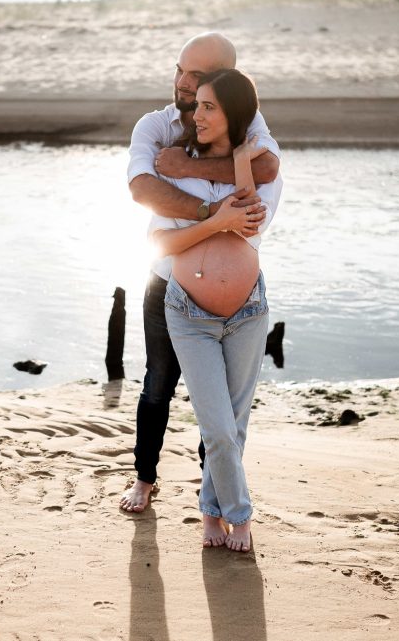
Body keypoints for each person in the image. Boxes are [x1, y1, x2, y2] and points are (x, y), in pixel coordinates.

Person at [120, 33, 282, 514]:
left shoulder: (248, 119)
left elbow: (268, 167)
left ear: (223, 80)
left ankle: (210, 497)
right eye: (180, 70)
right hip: (167, 281)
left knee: (221, 409)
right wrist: (215, 211)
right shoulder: (155, 125)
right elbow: (142, 187)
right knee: (158, 384)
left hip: (232, 295)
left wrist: (191, 164)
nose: (183, 82)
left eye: (197, 76)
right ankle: (144, 480)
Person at [150, 68, 278, 552]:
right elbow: (160, 241)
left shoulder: (256, 167)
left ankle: (210, 510)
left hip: (248, 311)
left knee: (234, 426)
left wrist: (243, 159)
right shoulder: (176, 165)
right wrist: (214, 220)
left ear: (233, 116)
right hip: (188, 312)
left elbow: (248, 223)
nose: (195, 114)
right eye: (195, 105)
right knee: (217, 426)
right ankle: (240, 517)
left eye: (208, 107)